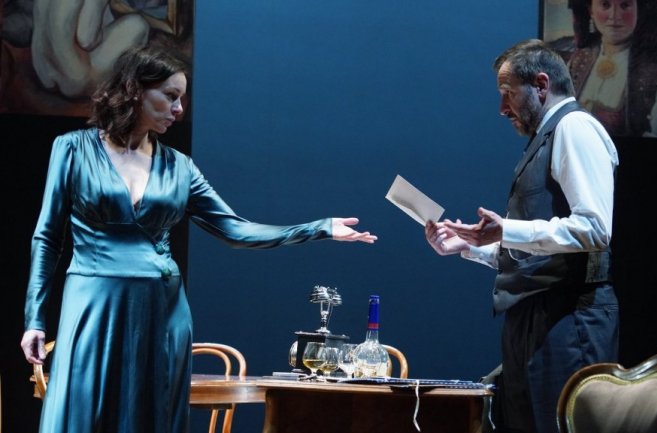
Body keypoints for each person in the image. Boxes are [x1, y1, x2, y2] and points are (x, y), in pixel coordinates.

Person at [20, 43, 377, 433]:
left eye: (182, 98)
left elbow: (236, 230)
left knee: (150, 414)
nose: (178, 108)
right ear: (136, 90)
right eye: (170, 95)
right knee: (83, 412)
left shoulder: (180, 168)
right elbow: (47, 237)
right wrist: (35, 319)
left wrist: (319, 227)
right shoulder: (72, 149)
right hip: (93, 303)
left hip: (162, 310)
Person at [425, 39, 619, 433]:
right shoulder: (546, 136)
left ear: (541, 85)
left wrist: (508, 230)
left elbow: (595, 228)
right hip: (535, 317)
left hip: (569, 317)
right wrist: (472, 245)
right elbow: (540, 251)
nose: (502, 108)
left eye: (508, 93)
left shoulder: (574, 128)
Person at [566, 0, 657, 138]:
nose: (614, 16)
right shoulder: (577, 62)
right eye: (605, 5)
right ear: (591, 10)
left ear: (639, 10)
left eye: (625, 5)